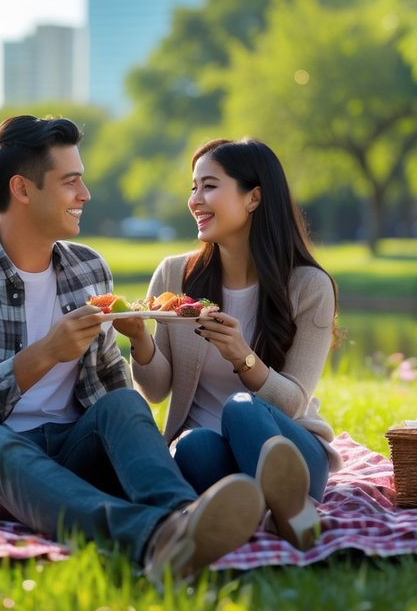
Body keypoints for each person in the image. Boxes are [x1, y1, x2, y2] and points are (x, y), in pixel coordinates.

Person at [0, 115, 264, 583]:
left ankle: (186, 520)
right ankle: (154, 535)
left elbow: (110, 391)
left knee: (123, 402)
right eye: (70, 181)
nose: (85, 194)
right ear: (22, 189)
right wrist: (44, 354)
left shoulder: (88, 270)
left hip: (69, 446)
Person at [125, 138, 340, 551]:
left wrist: (242, 356)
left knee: (240, 411)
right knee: (191, 444)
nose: (195, 200)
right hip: (212, 454)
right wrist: (140, 341)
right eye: (193, 187)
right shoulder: (174, 276)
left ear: (254, 197)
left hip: (293, 454)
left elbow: (293, 403)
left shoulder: (310, 286)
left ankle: (291, 504)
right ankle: (264, 513)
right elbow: (154, 391)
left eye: (209, 186)